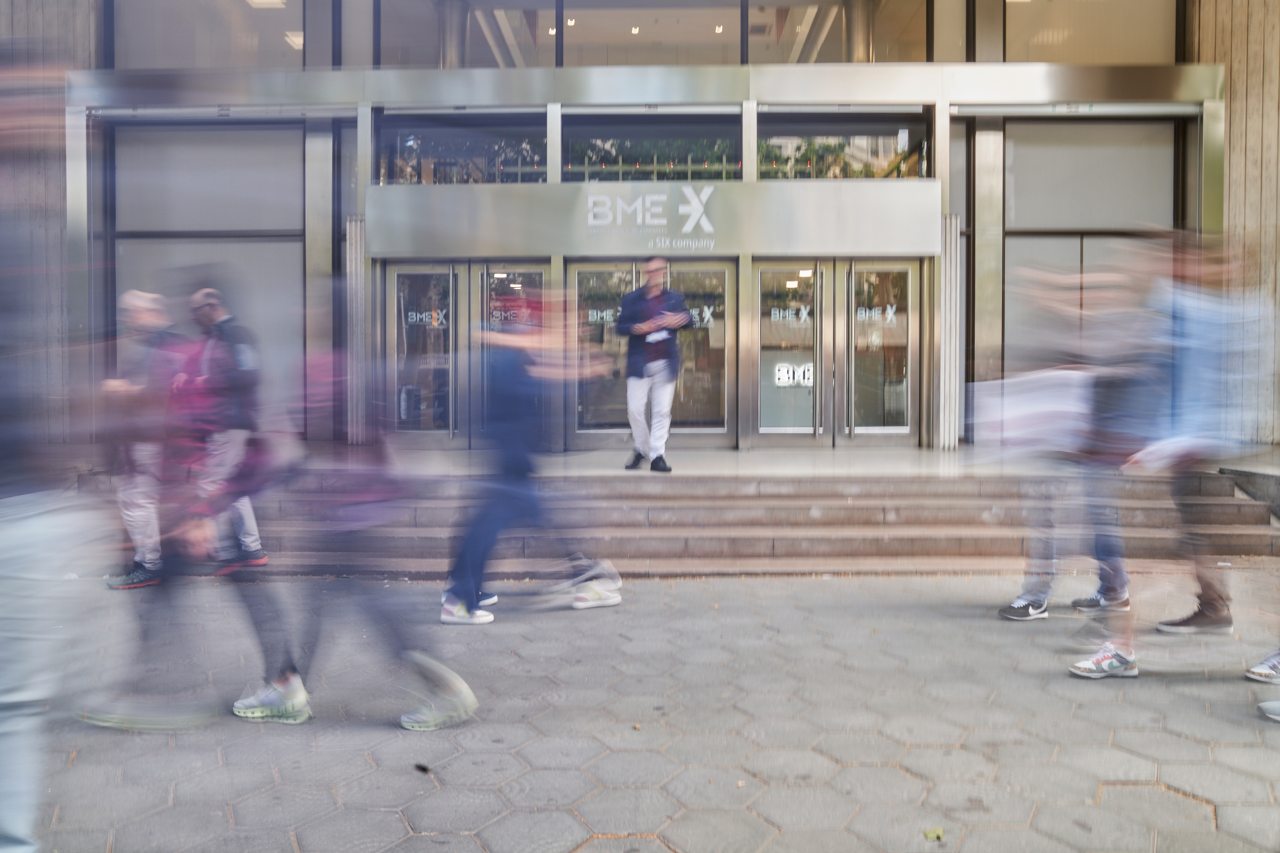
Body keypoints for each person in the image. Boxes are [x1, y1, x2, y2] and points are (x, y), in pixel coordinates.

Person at [176, 285, 269, 573]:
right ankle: (249, 548)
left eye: (196, 311)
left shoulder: (235, 336)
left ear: (212, 306)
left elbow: (248, 375)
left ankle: (227, 549)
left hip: (231, 423)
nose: (192, 317)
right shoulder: (216, 338)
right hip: (224, 424)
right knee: (230, 486)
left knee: (213, 484)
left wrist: (201, 383)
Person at [102, 290, 189, 590]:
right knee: (135, 499)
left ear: (147, 313)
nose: (127, 317)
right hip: (143, 437)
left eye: (131, 311)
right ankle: (146, 561)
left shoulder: (160, 344)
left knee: (139, 500)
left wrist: (123, 390)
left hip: (148, 438)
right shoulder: (151, 343)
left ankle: (149, 564)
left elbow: (158, 391)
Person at [616, 257, 691, 473]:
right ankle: (642, 447)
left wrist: (679, 320)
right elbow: (620, 327)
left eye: (660, 270)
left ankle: (657, 455)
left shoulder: (674, 298)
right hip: (640, 362)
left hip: (665, 362)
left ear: (664, 272)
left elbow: (689, 319)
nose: (656, 274)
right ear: (645, 273)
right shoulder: (632, 299)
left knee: (661, 411)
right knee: (635, 410)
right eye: (652, 270)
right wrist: (638, 328)